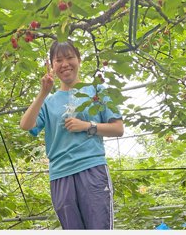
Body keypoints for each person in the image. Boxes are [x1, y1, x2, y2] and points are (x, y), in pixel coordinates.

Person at [20, 39, 124, 230]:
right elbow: (26, 125)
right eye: (58, 60)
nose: (65, 64)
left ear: (79, 59)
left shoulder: (97, 91)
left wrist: (87, 126)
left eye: (70, 57)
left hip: (92, 168)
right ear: (52, 66)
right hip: (60, 174)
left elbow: (118, 128)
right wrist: (43, 92)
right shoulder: (48, 101)